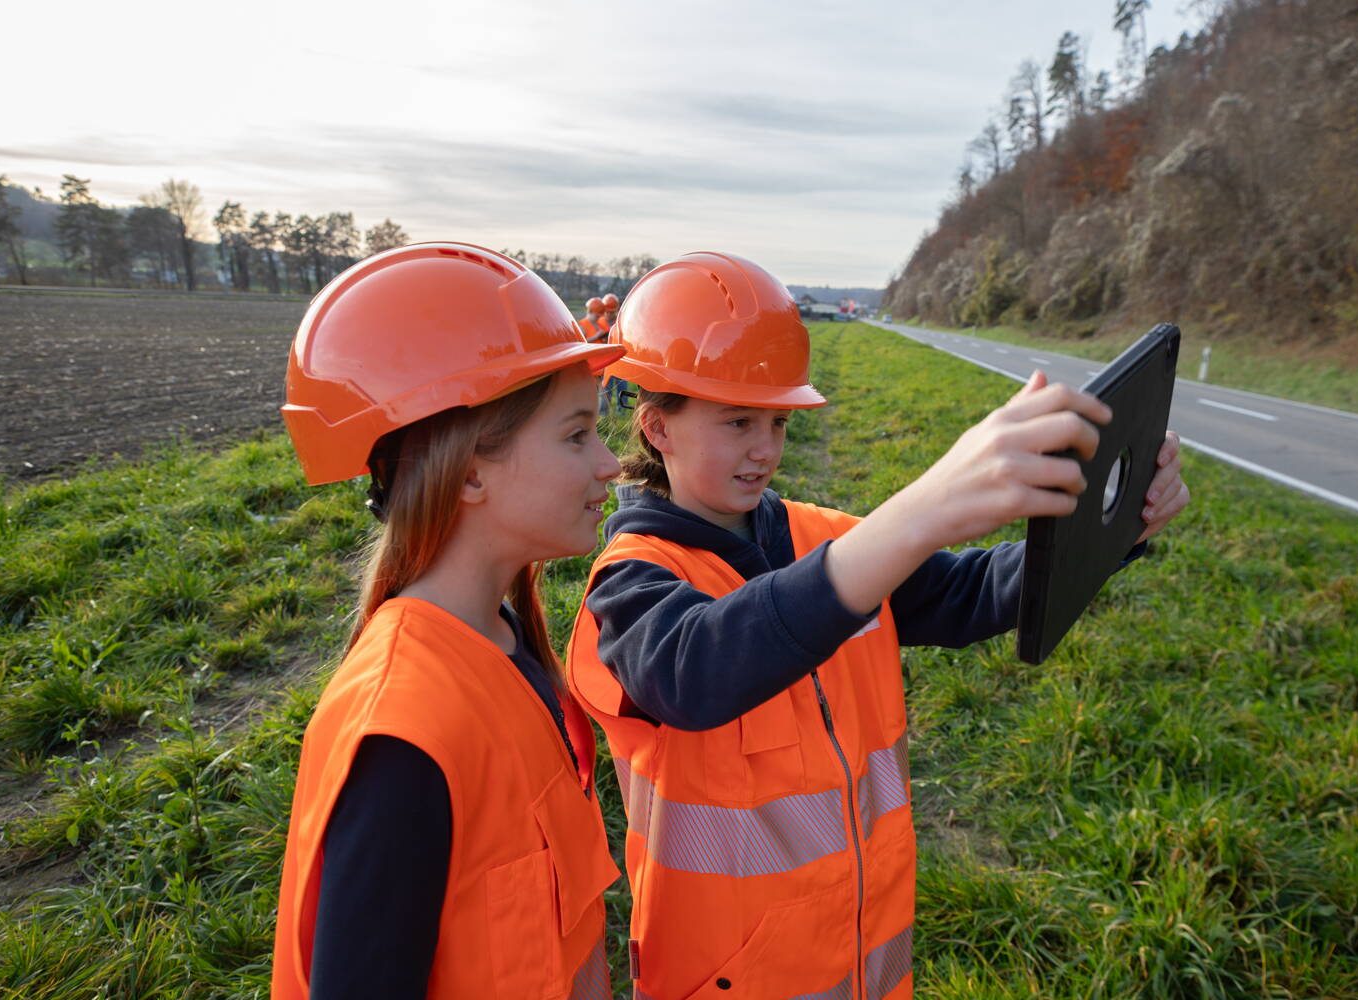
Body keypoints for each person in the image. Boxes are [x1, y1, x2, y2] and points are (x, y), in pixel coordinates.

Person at [566, 251, 1189, 1000]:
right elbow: (696, 671)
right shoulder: (630, 582)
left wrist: (1110, 531)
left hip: (866, 962)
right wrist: (916, 515)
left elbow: (966, 593)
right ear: (657, 428)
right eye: (737, 423)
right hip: (728, 979)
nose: (765, 450)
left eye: (778, 422)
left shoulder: (825, 538)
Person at [272, 242, 625, 1000]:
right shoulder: (401, 741)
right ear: (468, 471)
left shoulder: (508, 642)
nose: (610, 463)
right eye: (575, 435)